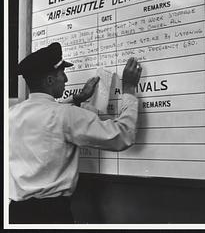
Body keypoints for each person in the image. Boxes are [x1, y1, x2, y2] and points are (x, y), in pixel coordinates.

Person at [9, 42, 142, 224]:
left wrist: (77, 99)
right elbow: (123, 135)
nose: (66, 80)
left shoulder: (12, 114)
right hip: (51, 215)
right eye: (61, 74)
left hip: (16, 213)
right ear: (49, 80)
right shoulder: (66, 115)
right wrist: (128, 90)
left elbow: (48, 121)